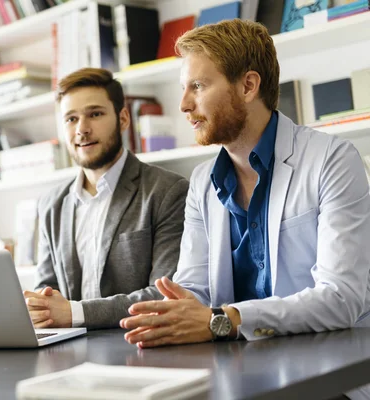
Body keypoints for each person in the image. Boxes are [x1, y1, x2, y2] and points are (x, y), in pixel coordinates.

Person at [121, 18, 370, 351]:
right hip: (238, 360)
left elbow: (340, 298)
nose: (184, 104)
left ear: (248, 86)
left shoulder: (332, 160)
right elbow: (195, 287)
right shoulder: (201, 182)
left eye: (197, 86)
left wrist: (224, 320)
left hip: (328, 360)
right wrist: (176, 310)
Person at [23, 68, 189, 330]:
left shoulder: (167, 191)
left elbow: (164, 295)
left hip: (138, 348)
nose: (82, 129)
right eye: (71, 119)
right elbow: (47, 291)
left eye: (95, 114)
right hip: (68, 354)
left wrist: (75, 313)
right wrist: (38, 308)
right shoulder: (51, 204)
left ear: (123, 119)